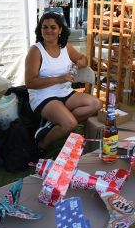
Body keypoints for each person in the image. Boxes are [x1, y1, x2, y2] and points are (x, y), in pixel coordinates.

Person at [25, 12, 102, 150]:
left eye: (53, 27)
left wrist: (81, 62)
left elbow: (83, 59)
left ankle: (55, 124)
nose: (49, 31)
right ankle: (41, 145)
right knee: (70, 125)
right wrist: (59, 79)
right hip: (43, 95)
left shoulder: (65, 47)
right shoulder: (36, 51)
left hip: (65, 92)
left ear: (60, 30)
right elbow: (30, 83)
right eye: (45, 27)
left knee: (96, 104)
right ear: (40, 30)